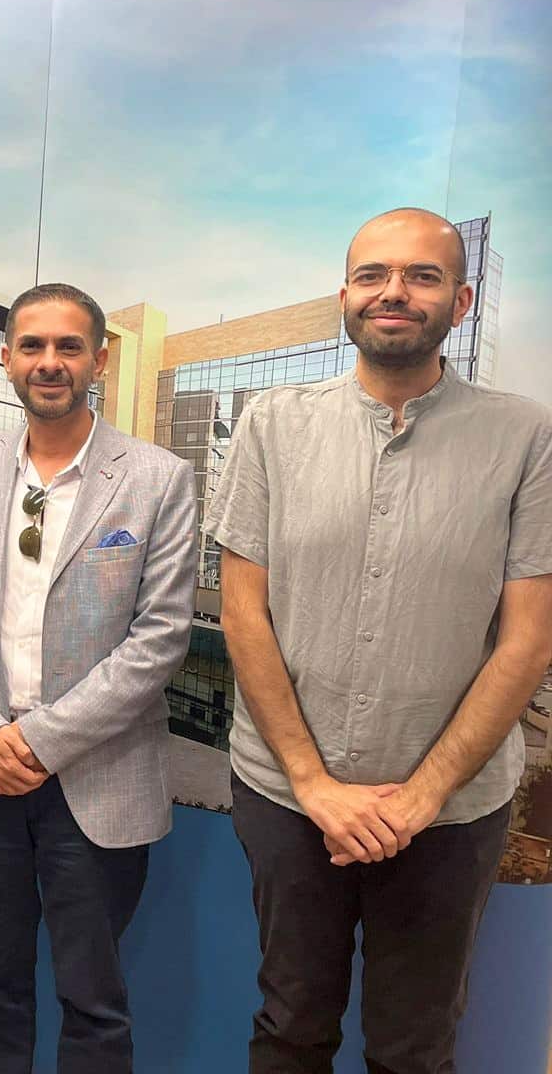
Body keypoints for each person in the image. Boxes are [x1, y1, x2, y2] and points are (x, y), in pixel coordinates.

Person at [210, 206, 552, 1074]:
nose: (393, 292)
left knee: (415, 1046)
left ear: (461, 302)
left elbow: (528, 641)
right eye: (372, 275)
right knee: (291, 1026)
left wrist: (420, 797)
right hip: (289, 802)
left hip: (451, 815)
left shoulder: (526, 437)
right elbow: (244, 616)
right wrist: (314, 784)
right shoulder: (271, 424)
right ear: (345, 296)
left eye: (422, 276)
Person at [0, 282, 197, 1074]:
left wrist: (38, 741)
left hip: (97, 779)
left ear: (99, 360)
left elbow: (159, 639)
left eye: (69, 347)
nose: (50, 362)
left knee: (94, 1000)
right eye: (33, 346)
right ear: (7, 358)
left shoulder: (157, 479)